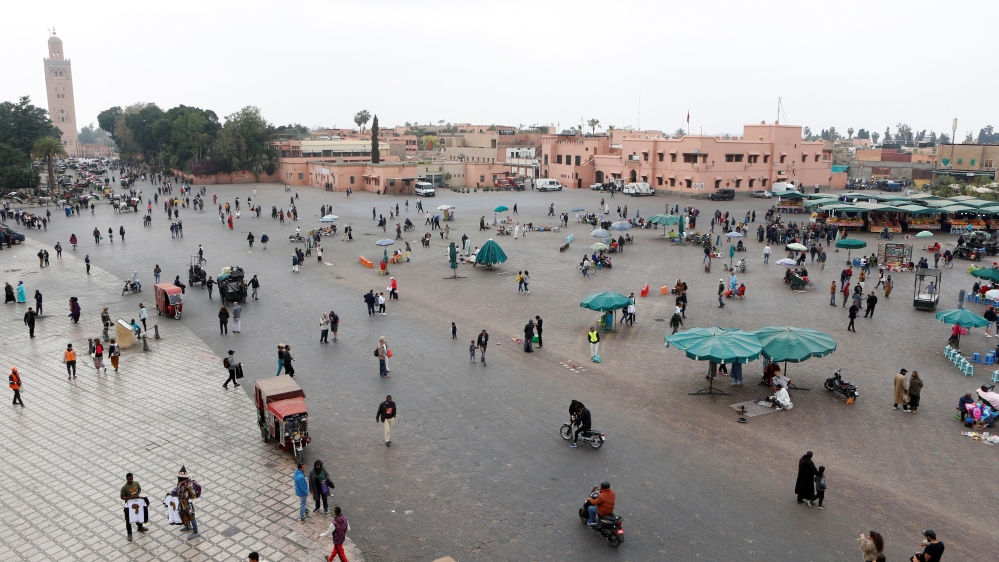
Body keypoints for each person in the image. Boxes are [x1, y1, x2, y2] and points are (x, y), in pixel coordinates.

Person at [120, 473, 148, 541]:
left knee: (139, 515)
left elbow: (139, 489)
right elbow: (122, 497)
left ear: (133, 478)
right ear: (126, 479)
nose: (130, 480)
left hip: (137, 502)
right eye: (129, 479)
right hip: (129, 505)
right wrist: (130, 497)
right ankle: (129, 533)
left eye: (131, 479)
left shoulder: (136, 483)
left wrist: (137, 494)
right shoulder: (124, 487)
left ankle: (140, 526)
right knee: (128, 519)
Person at [175, 466, 200, 539]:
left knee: (191, 516)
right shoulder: (180, 483)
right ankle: (187, 525)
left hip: (187, 503)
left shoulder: (189, 484)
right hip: (181, 502)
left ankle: (195, 531)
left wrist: (189, 500)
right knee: (182, 513)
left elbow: (193, 494)